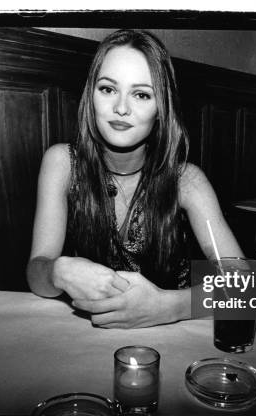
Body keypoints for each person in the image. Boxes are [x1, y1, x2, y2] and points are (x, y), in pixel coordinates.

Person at [26, 29, 243, 328]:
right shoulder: (63, 163)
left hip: (172, 340)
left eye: (141, 94)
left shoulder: (187, 180)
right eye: (108, 89)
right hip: (87, 340)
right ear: (91, 96)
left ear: (161, 110)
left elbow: (243, 286)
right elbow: (36, 273)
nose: (121, 108)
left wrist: (172, 306)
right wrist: (57, 271)